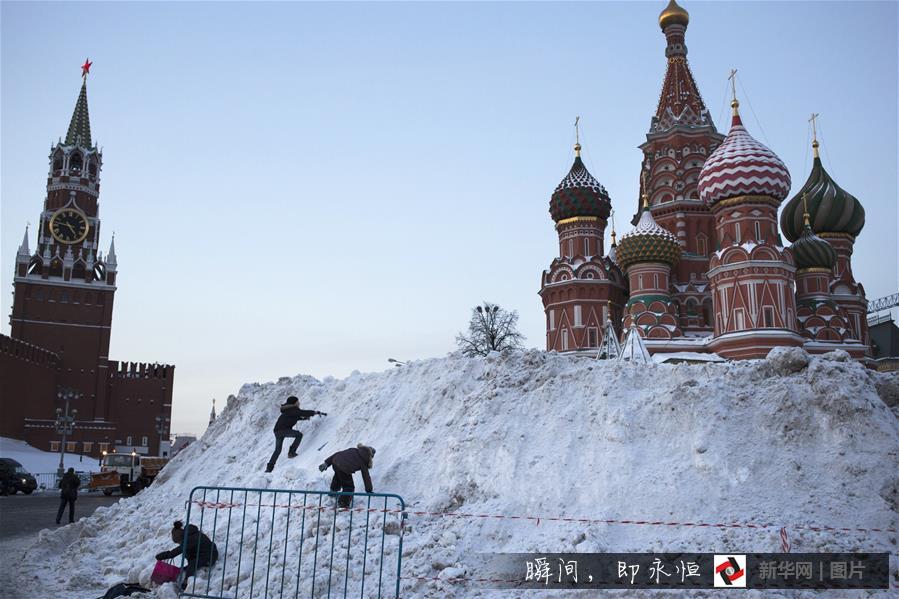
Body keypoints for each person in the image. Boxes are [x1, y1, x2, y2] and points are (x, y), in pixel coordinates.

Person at [265, 396, 326, 472]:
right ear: (294, 403)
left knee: (277, 450)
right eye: (298, 401)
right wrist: (314, 412)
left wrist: (304, 418)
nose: (299, 403)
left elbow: (296, 416)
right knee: (298, 435)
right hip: (283, 430)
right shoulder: (292, 409)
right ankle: (291, 452)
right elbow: (302, 413)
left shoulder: (289, 410)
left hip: (277, 431)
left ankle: (269, 468)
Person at [155, 520, 219, 590]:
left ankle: (186, 582)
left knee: (192, 563)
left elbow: (173, 553)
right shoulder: (191, 534)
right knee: (187, 560)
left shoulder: (189, 540)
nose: (179, 544)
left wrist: (160, 556)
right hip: (206, 552)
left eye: (179, 543)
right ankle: (184, 573)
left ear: (180, 539)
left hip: (210, 557)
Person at [318, 444, 376, 508]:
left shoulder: (354, 450)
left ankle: (333, 492)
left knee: (338, 475)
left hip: (335, 462)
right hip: (344, 468)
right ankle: (343, 503)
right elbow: (366, 477)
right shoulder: (363, 461)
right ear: (370, 456)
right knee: (349, 487)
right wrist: (369, 490)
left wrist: (327, 463)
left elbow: (338, 454)